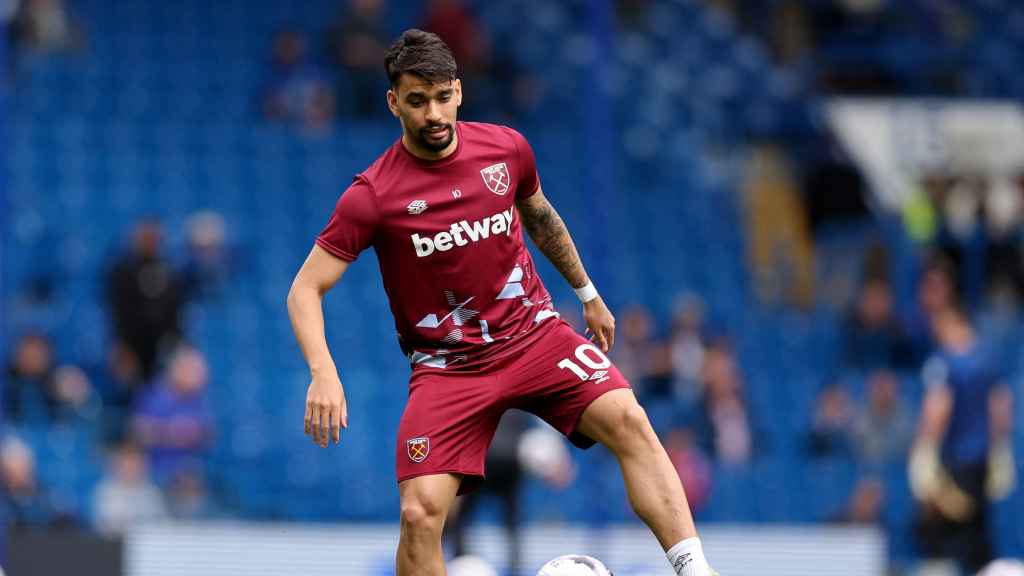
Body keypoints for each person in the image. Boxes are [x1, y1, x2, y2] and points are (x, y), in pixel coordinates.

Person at [286, 29, 717, 576]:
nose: (434, 113)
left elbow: (540, 216)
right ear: (394, 102)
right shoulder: (372, 195)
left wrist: (586, 293)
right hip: (449, 368)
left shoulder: (506, 149)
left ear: (460, 92)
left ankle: (694, 570)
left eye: (443, 97)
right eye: (417, 102)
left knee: (630, 419)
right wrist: (323, 372)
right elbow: (305, 289)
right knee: (420, 515)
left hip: (533, 335)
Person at [910, 305, 1014, 575]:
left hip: (954, 460)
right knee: (978, 534)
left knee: (941, 532)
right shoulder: (988, 358)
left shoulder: (944, 361)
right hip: (980, 460)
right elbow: (1001, 406)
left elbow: (937, 406)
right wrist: (1000, 448)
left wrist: (925, 448)